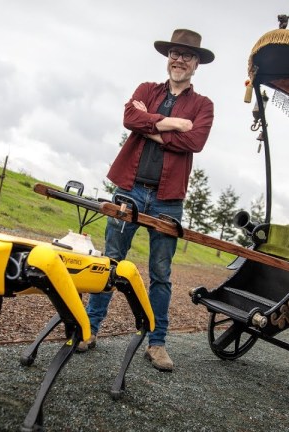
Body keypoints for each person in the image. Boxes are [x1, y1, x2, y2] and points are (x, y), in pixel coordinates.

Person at [78, 29, 215, 372]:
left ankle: (156, 343)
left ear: (196, 64)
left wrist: (149, 126)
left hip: (168, 199)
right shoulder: (145, 90)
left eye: (187, 55)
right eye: (175, 53)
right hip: (130, 187)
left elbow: (194, 142)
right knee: (110, 262)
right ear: (168, 58)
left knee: (161, 274)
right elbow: (129, 118)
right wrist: (171, 123)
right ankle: (90, 329)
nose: (179, 60)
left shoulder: (203, 106)